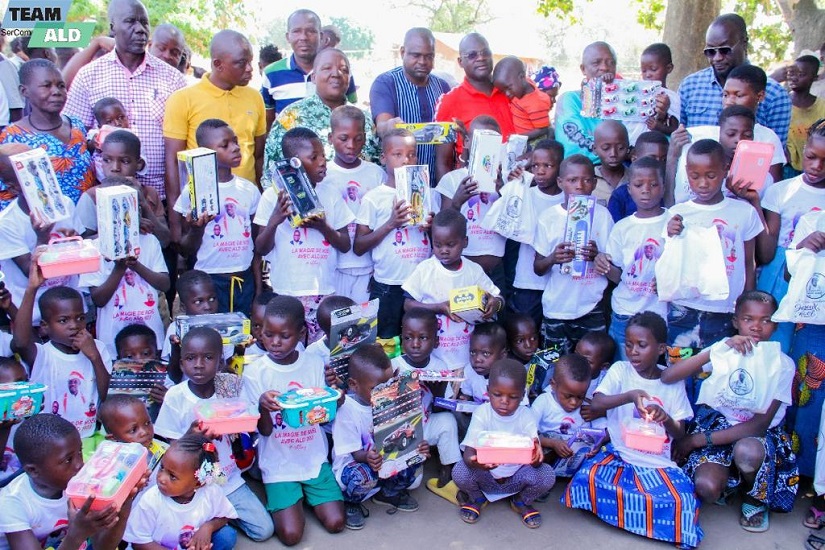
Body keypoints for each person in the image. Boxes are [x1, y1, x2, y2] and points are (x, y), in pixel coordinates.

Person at [662, 291, 797, 533]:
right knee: (706, 488)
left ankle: (753, 494)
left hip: (757, 437)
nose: (756, 327)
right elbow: (668, 376)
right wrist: (716, 349)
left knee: (747, 452)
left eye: (765, 320)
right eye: (748, 319)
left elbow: (758, 426)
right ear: (735, 321)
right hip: (720, 425)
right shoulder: (725, 350)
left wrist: (695, 440)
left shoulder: (783, 365)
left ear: (776, 324)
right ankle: (728, 482)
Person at [564, 312, 700, 547]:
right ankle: (647, 518)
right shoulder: (621, 370)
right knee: (587, 478)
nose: (633, 351)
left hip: (657, 462)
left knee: (683, 501)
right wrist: (629, 396)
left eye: (641, 345)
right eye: (628, 345)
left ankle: (627, 513)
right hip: (620, 454)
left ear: (660, 349)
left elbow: (680, 433)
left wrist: (665, 418)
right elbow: (597, 404)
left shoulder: (672, 383)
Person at [666, 139, 765, 402]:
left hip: (724, 311)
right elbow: (669, 261)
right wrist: (670, 232)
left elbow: (749, 263)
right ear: (686, 173)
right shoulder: (678, 213)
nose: (702, 183)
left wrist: (745, 308)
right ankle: (679, 421)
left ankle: (704, 424)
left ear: (725, 170)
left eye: (710, 175)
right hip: (683, 310)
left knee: (713, 376)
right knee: (678, 373)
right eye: (694, 176)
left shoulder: (743, 212)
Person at [242, 296, 345, 546]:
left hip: (313, 457)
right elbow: (264, 432)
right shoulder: (255, 372)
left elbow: (325, 415)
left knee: (336, 522)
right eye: (268, 334)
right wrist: (262, 407)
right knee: (290, 536)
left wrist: (336, 395)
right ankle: (292, 495)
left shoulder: (314, 364)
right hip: (278, 462)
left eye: (284, 336)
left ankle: (305, 493)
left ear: (301, 334)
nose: (275, 342)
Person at [155, 327, 274, 542]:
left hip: (227, 479)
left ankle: (217, 516)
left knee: (263, 530)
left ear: (220, 363)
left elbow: (248, 423)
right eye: (190, 358)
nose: (199, 364)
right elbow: (171, 446)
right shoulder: (175, 396)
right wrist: (192, 437)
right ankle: (214, 517)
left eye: (208, 358)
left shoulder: (231, 388)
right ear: (181, 363)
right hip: (191, 484)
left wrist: (232, 424)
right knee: (179, 529)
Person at [63, 0, 187, 200]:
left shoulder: (173, 78)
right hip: (106, 196)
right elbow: (75, 136)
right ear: (113, 27)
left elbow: (182, 145)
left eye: (144, 23)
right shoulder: (89, 75)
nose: (140, 29)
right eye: (130, 21)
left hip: (159, 197)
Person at [163, 29, 266, 237]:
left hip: (245, 207)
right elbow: (173, 162)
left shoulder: (255, 97)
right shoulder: (183, 99)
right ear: (218, 64)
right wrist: (176, 221)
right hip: (203, 212)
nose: (249, 69)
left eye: (250, 61)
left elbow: (258, 155)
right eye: (241, 63)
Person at [254, 128, 353, 343]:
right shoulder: (272, 196)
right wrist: (276, 219)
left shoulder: (330, 193)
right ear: (294, 163)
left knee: (321, 351)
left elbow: (345, 244)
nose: (323, 162)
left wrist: (323, 227)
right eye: (314, 157)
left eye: (323, 156)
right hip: (287, 291)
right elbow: (260, 248)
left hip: (323, 291)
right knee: (290, 349)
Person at [0, 414, 138, 550]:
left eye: (80, 452)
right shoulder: (11, 503)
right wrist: (77, 534)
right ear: (33, 471)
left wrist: (125, 502)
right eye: (68, 460)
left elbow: (102, 547)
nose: (80, 465)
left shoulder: (85, 485)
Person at [334, 344, 430, 529]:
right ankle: (350, 502)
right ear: (354, 385)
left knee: (416, 457)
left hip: (385, 460)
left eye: (388, 385)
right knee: (364, 475)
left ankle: (388, 493)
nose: (385, 393)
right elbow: (354, 453)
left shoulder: (394, 400)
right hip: (356, 465)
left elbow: (406, 435)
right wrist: (368, 457)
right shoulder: (347, 409)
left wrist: (419, 446)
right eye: (377, 389)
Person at [13, 261, 112, 441]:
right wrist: (31, 289)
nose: (74, 325)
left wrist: (94, 357)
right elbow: (20, 342)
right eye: (63, 321)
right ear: (45, 326)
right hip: (50, 443)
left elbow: (106, 395)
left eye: (80, 318)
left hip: (88, 437)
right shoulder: (42, 355)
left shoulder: (98, 349)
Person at [452, 359, 555, 528]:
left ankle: (521, 501)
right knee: (460, 471)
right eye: (497, 394)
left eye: (513, 397)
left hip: (516, 478)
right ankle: (477, 498)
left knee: (547, 474)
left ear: (522, 395)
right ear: (488, 391)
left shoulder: (525, 416)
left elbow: (536, 457)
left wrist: (537, 456)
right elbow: (468, 454)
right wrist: (477, 463)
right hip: (486, 477)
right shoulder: (482, 413)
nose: (504, 401)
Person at [174, 119, 262, 315]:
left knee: (243, 331)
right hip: (209, 282)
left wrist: (257, 288)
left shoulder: (249, 190)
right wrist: (197, 229)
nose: (235, 148)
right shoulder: (194, 192)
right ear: (206, 152)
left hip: (244, 279)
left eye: (235, 141)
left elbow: (255, 246)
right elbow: (185, 248)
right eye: (225, 145)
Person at [354, 128, 434, 339]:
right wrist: (391, 223)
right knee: (386, 341)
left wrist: (431, 228)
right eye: (397, 154)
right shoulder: (374, 198)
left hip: (421, 284)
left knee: (419, 340)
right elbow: (359, 246)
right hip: (388, 285)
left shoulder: (428, 194)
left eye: (411, 154)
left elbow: (439, 240)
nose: (406, 160)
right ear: (383, 158)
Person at [80, 176, 170, 358]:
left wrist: (136, 265)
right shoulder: (94, 248)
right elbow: (98, 299)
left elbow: (165, 284)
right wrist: (119, 268)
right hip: (112, 339)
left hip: (150, 336)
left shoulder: (149, 242)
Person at [402, 208, 503, 368]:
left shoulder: (473, 271)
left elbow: (498, 297)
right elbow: (408, 305)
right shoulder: (425, 269)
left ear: (465, 242)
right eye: (437, 245)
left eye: (450, 245)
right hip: (434, 358)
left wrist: (495, 304)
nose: (444, 250)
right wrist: (439, 308)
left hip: (466, 357)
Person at [756, 119, 825, 352]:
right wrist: (755, 204)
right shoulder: (780, 191)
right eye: (811, 156)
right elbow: (767, 252)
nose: (817, 166)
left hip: (817, 276)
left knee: (810, 344)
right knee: (777, 340)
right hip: (779, 275)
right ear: (803, 149)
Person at [534, 154, 614, 354]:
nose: (579, 186)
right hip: (557, 307)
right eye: (572, 180)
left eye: (586, 180)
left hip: (591, 305)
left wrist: (597, 255)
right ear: (560, 182)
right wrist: (553, 258)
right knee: (556, 363)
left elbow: (611, 262)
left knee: (592, 362)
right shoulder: (548, 218)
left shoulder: (603, 216)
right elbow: (538, 268)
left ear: (594, 183)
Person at [678, 13, 791, 145]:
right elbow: (678, 139)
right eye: (710, 51)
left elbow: (774, 151)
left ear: (744, 43)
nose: (717, 58)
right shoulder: (690, 86)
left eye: (725, 50)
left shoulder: (775, 94)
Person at [595, 156, 669, 357]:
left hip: (662, 314)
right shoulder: (622, 227)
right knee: (624, 366)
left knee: (661, 368)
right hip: (625, 313)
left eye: (653, 184)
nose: (646, 190)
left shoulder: (673, 223)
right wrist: (602, 264)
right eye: (638, 185)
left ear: (663, 187)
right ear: (629, 189)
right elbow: (619, 276)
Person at [0, 148, 81, 325]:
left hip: (70, 312)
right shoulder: (7, 223)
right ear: (12, 186)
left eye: (42, 169)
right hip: (34, 318)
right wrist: (42, 239)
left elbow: (80, 252)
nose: (41, 178)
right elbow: (29, 272)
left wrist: (74, 243)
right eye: (30, 176)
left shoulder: (65, 204)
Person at [264, 48, 379, 172]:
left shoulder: (365, 119)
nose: (336, 74)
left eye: (344, 70)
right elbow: (271, 171)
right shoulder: (291, 117)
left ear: (349, 79)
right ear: (313, 77)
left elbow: (379, 165)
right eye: (327, 68)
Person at [0, 59, 94, 206]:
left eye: (61, 85)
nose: (56, 92)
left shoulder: (76, 125)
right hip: (41, 220)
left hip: (86, 218)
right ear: (24, 91)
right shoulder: (12, 137)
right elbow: (6, 196)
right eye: (46, 86)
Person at [123, 433, 239, 550]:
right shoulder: (151, 500)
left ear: (198, 483)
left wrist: (208, 528)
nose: (161, 478)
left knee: (227, 536)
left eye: (172, 476)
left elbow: (225, 515)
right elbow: (138, 542)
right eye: (162, 468)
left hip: (191, 544)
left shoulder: (210, 492)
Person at [370, 28, 450, 184]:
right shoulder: (386, 83)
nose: (422, 61)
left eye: (429, 56)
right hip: (399, 184)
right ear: (402, 52)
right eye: (416, 55)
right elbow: (382, 126)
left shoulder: (442, 87)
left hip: (436, 184)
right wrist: (389, 126)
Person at [323, 106, 386, 303]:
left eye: (358, 138)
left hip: (368, 265)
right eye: (344, 138)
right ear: (330, 138)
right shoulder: (324, 175)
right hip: (334, 266)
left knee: (364, 319)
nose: (351, 145)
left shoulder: (376, 174)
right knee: (334, 317)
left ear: (365, 138)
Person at [393, 308, 461, 488]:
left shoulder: (440, 367)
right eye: (408, 338)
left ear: (436, 341)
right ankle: (410, 460)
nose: (415, 344)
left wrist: (438, 394)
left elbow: (439, 409)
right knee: (413, 483)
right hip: (399, 430)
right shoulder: (393, 367)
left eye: (423, 338)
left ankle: (448, 468)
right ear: (401, 340)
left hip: (425, 425)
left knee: (447, 421)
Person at [434, 32, 515, 182]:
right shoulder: (450, 101)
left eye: (485, 53)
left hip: (516, 181)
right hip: (475, 186)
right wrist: (450, 196)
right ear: (460, 62)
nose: (481, 58)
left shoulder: (510, 91)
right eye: (472, 55)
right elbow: (442, 162)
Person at [782, 208, 825, 479]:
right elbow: (789, 277)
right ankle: (803, 473)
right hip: (814, 327)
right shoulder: (813, 220)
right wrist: (803, 248)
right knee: (808, 399)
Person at [437, 115, 506, 280]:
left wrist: (503, 191)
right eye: (480, 141)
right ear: (467, 141)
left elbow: (513, 222)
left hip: (496, 269)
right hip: (463, 270)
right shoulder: (452, 179)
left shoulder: (504, 181)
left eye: (491, 142)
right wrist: (457, 202)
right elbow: (442, 223)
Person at [260, 10, 357, 127]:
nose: (303, 37)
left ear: (321, 36)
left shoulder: (339, 73)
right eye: (296, 31)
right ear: (288, 37)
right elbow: (268, 122)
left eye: (310, 31)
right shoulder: (271, 74)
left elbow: (352, 113)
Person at [509, 140, 565, 329]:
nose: (540, 171)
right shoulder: (525, 194)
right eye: (535, 166)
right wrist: (514, 186)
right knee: (527, 332)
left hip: (560, 284)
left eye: (547, 166)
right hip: (527, 281)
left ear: (561, 167)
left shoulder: (568, 199)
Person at [76, 133, 169, 247]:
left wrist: (143, 204)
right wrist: (124, 229)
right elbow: (82, 243)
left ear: (139, 164)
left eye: (125, 161)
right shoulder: (92, 197)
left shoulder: (149, 193)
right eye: (107, 160)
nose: (115, 168)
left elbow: (164, 241)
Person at [554, 41, 617, 164]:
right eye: (596, 63)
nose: (605, 67)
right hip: (584, 171)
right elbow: (574, 147)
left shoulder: (622, 102)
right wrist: (622, 152)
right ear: (583, 69)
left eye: (611, 63)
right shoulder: (570, 99)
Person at [532, 354, 591, 461]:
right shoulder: (544, 402)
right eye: (568, 396)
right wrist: (553, 443)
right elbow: (528, 433)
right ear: (553, 385)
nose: (574, 402)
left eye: (580, 397)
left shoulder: (586, 409)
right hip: (547, 451)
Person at [607, 130, 668, 222]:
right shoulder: (620, 196)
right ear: (634, 159)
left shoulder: (671, 188)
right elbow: (615, 227)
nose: (659, 164)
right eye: (651, 159)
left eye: (664, 160)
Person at [492, 56, 552, 143]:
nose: (507, 94)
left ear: (522, 77)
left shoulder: (536, 103)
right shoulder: (519, 86)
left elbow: (543, 129)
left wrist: (520, 137)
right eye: (503, 91)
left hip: (532, 142)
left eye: (509, 88)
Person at [788, 56, 825, 176]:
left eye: (801, 74)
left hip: (817, 167)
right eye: (792, 73)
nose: (794, 78)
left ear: (814, 78)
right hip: (787, 167)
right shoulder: (782, 104)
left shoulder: (822, 107)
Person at [640, 43, 679, 135]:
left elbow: (675, 130)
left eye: (653, 69)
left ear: (669, 68)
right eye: (644, 71)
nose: (648, 75)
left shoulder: (672, 98)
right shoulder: (639, 94)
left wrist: (659, 127)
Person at [0, 358, 28, 483]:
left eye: (26, 382)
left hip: (20, 482)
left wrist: (33, 417)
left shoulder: (23, 417)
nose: (26, 389)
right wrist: (4, 430)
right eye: (17, 385)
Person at [592, 120, 629, 205]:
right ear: (594, 149)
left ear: (628, 147)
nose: (613, 154)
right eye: (606, 148)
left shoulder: (636, 178)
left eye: (620, 148)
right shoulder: (585, 180)